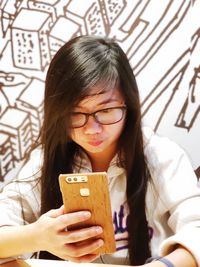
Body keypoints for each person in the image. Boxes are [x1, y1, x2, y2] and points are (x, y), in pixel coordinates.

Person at [0, 35, 199, 267]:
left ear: (129, 105)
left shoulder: (160, 156)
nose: (92, 129)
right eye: (75, 113)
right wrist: (37, 237)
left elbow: (196, 227)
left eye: (106, 111)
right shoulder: (46, 160)